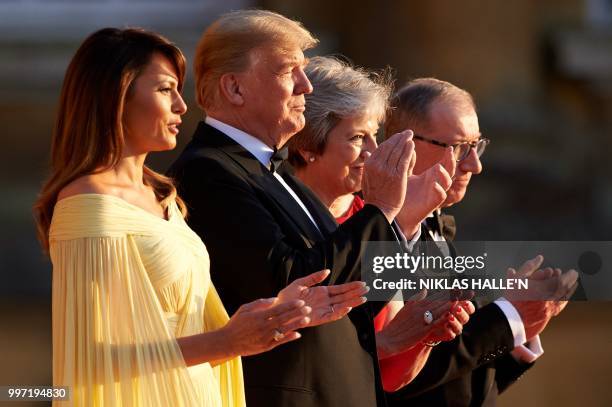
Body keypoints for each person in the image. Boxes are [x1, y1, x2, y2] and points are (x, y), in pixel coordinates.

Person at [33, 27, 369, 407]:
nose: (181, 105)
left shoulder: (167, 195)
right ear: (115, 96)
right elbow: (87, 361)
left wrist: (275, 314)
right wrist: (385, 213)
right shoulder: (99, 202)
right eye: (164, 89)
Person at [168, 10, 414, 407]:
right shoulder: (208, 170)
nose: (305, 86)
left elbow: (344, 287)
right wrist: (381, 208)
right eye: (288, 71)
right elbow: (292, 282)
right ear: (234, 88)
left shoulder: (272, 167)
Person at [383, 78, 578, 406]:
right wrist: (508, 317)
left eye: (478, 146)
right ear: (404, 144)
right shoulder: (372, 233)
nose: (475, 165)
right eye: (459, 147)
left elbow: (455, 384)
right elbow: (390, 377)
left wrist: (521, 332)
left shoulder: (438, 227)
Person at [287, 55, 477, 391]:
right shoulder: (282, 217)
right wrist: (390, 341)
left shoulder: (369, 215)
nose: (373, 152)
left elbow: (390, 380)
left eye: (374, 136)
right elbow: (302, 356)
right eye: (358, 138)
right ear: (306, 146)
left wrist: (426, 333)